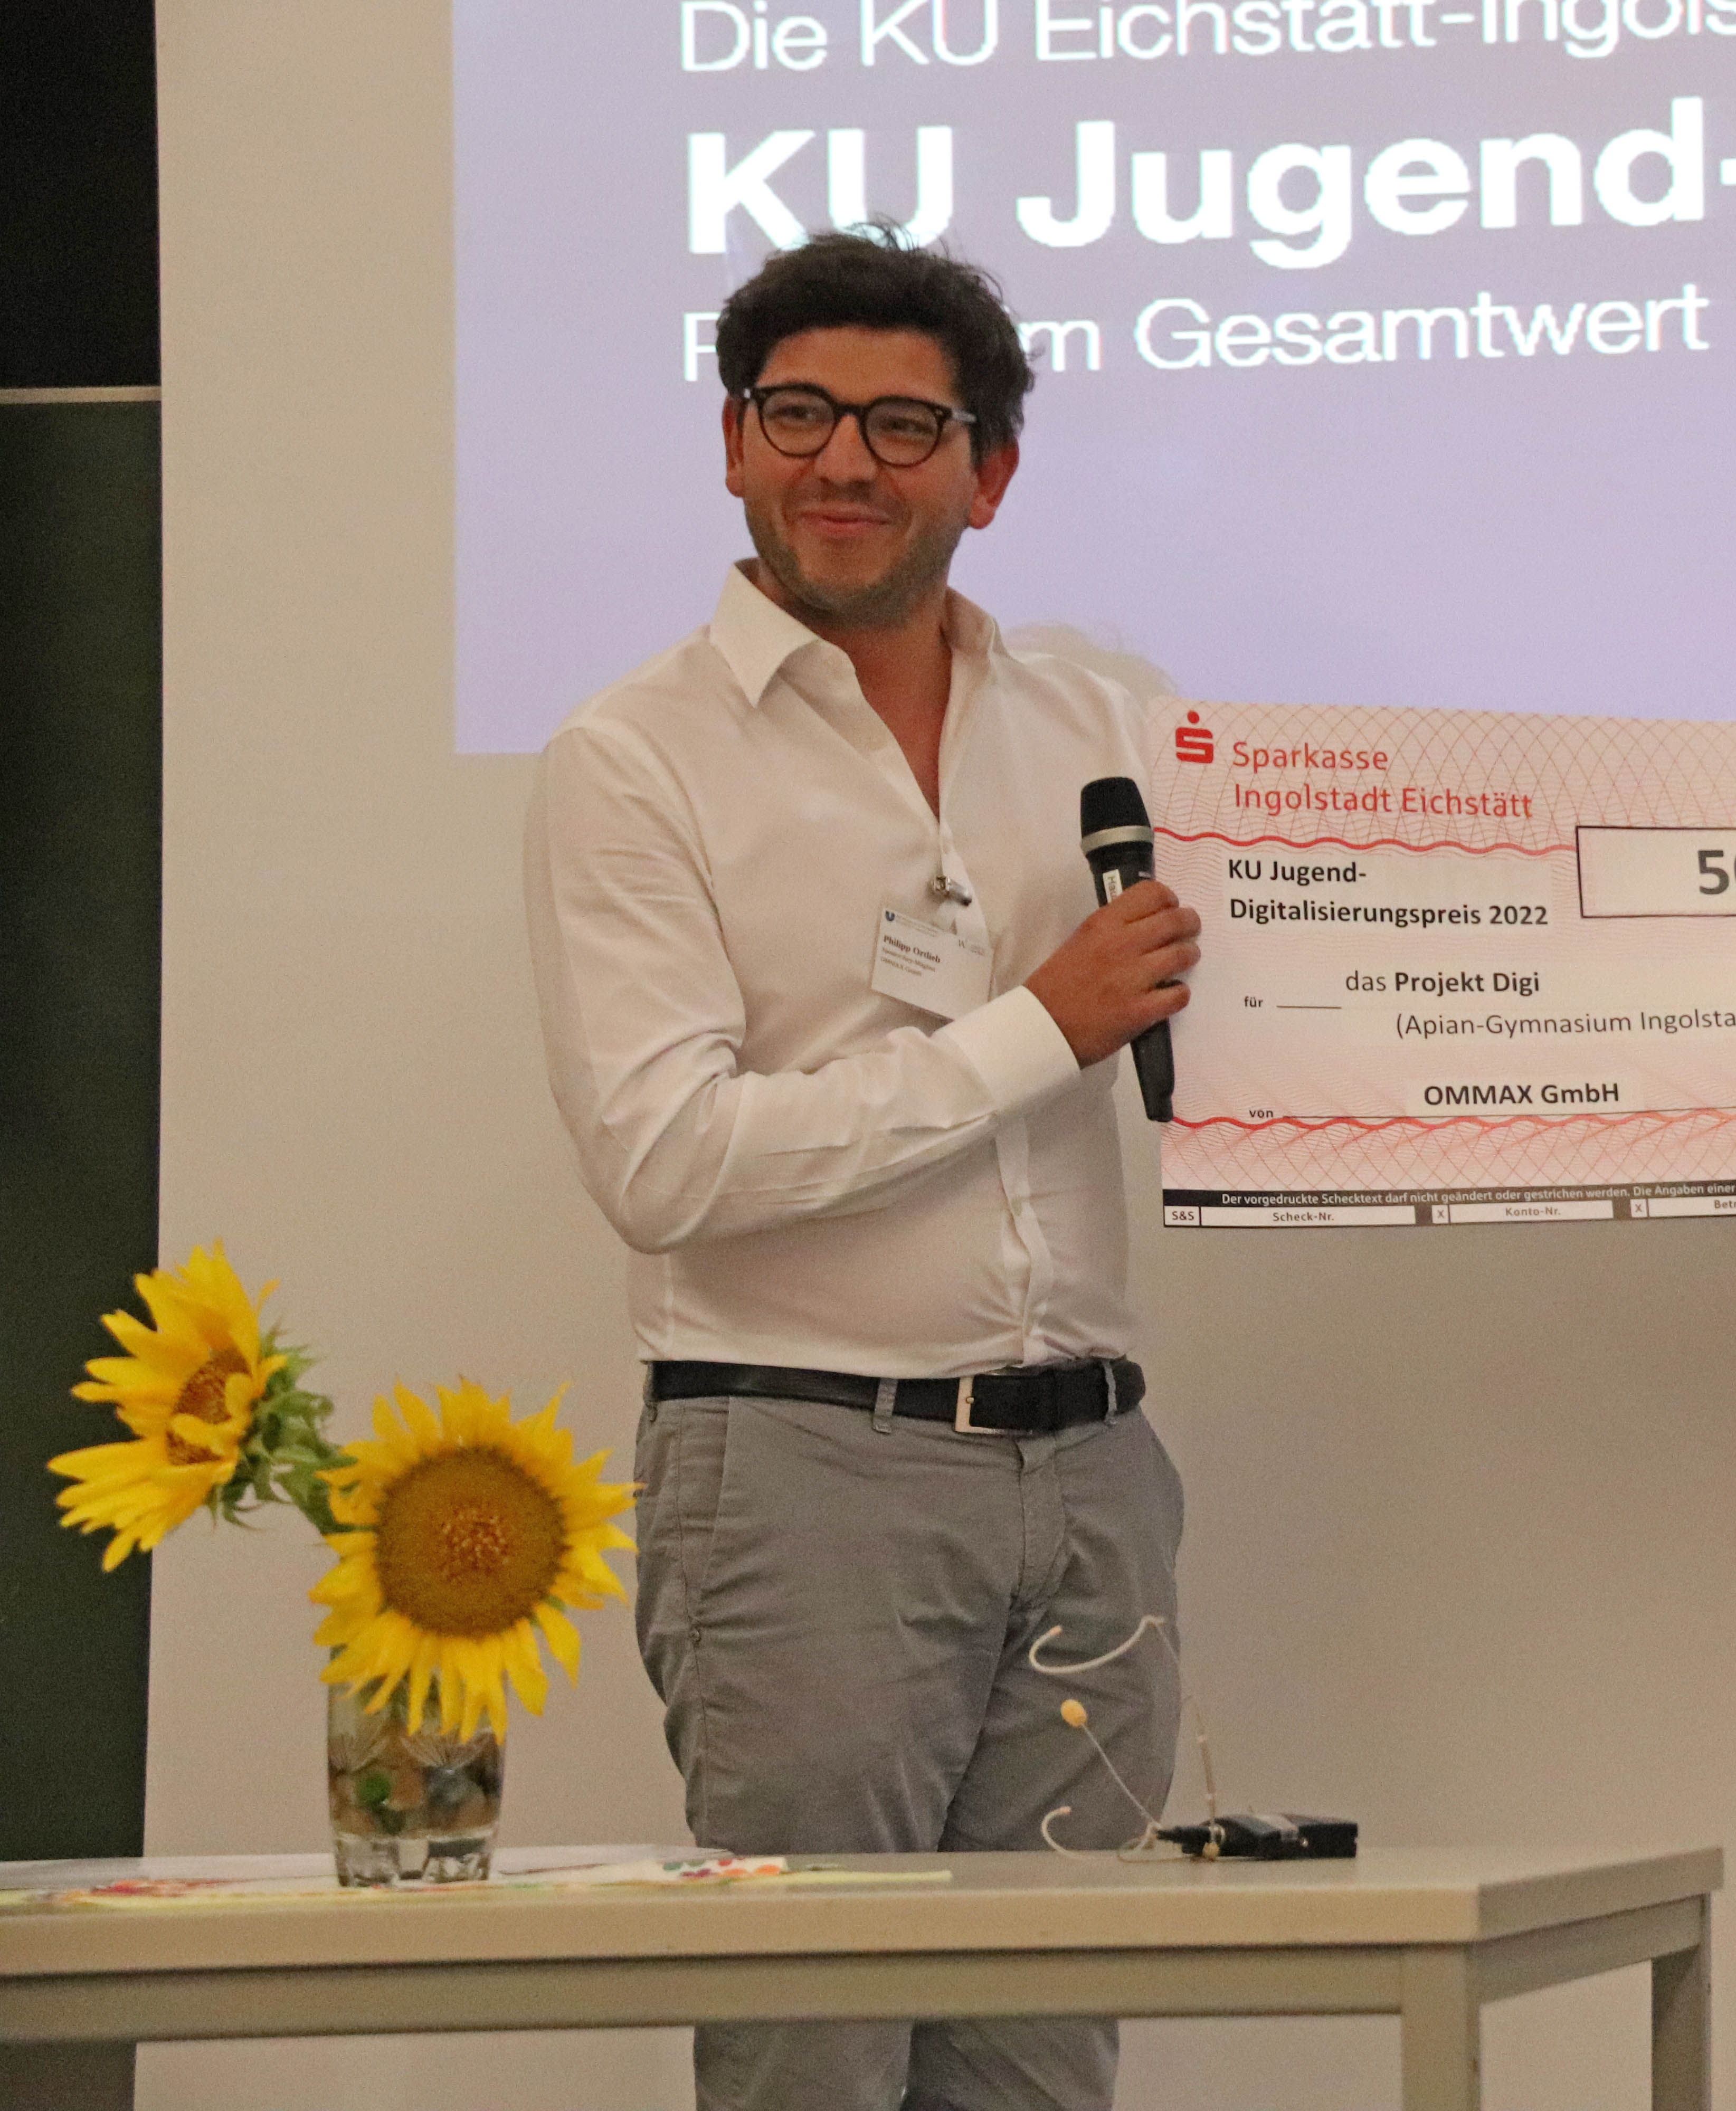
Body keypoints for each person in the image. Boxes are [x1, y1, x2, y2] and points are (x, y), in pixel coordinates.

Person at [523, 231, 1199, 2111]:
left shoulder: (1103, 726)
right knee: (811, 2056)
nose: (845, 461)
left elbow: (1348, 992)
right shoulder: (633, 759)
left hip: (1094, 1474)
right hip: (806, 1471)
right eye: (799, 412)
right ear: (733, 444)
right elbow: (667, 1160)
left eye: (905, 426)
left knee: (1040, 2058)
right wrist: (1031, 1029)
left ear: (991, 474)